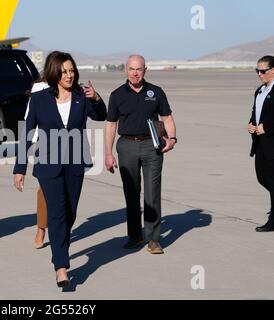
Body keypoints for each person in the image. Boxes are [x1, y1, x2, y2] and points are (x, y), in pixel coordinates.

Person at [13, 51, 107, 287]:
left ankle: (59, 252)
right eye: (64, 71)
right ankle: (61, 267)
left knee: (70, 214)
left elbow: (101, 115)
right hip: (48, 164)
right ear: (54, 73)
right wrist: (19, 168)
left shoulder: (81, 96)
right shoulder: (39, 99)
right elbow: (27, 134)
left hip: (75, 162)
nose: (69, 75)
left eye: (72, 71)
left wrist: (96, 98)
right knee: (56, 212)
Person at [104, 54, 177, 254]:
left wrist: (172, 139)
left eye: (139, 69)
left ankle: (153, 239)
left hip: (152, 147)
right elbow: (111, 125)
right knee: (131, 192)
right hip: (126, 146)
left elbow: (167, 117)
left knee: (152, 193)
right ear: (125, 70)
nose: (135, 73)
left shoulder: (156, 92)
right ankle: (135, 235)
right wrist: (108, 154)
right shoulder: (117, 95)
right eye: (131, 69)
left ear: (145, 70)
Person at [26, 51, 62, 249]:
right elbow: (29, 119)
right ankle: (41, 229)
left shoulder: (71, 88)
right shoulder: (39, 87)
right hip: (45, 144)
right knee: (45, 191)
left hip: (67, 145)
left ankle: (58, 228)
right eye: (59, 68)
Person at [248, 55, 274, 232]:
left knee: (272, 180)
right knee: (262, 177)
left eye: (263, 71)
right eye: (257, 70)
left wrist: (268, 128)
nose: (259, 74)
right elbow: (256, 112)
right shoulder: (260, 91)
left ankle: (273, 220)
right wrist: (251, 124)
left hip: (272, 141)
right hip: (260, 143)